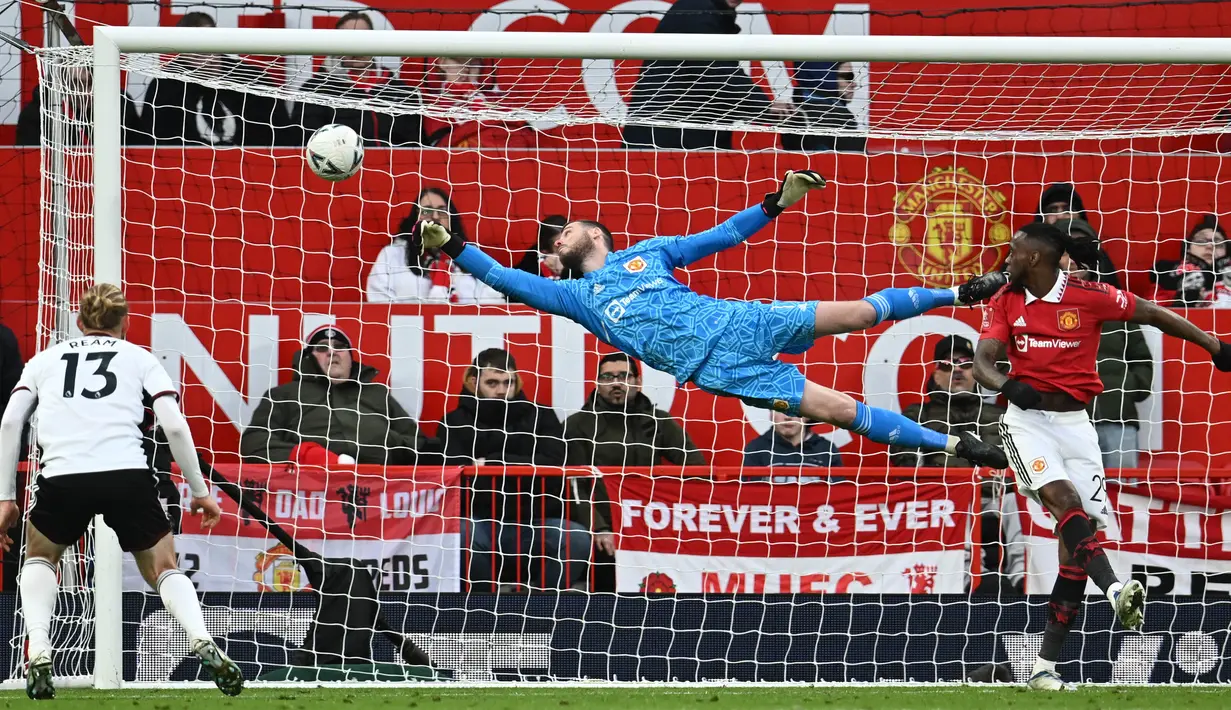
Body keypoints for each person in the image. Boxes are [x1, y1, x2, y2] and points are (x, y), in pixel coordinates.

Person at [419, 169, 1010, 468]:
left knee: (857, 313)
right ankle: (960, 444)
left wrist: (777, 203)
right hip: (720, 370)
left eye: (566, 230)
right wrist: (451, 246)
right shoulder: (575, 296)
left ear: (595, 234)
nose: (556, 240)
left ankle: (960, 291)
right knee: (836, 411)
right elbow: (502, 278)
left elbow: (722, 236)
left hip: (741, 321)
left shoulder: (651, 251)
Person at [972, 221, 1231, 690]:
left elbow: (1152, 312)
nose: (1005, 258)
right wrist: (1012, 388)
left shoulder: (1091, 295)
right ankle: (1115, 590)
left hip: (1076, 426)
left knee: (1079, 538)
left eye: (1013, 251)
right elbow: (983, 362)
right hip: (1025, 424)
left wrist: (1216, 346)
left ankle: (1043, 667)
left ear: (1035, 258)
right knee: (1063, 500)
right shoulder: (1005, 300)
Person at [0, 284, 242, 699]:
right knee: (164, 567)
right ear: (126, 323)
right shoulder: (141, 358)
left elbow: (9, 423)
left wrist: (5, 497)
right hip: (126, 475)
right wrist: (201, 491)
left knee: (41, 556)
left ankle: (38, 650)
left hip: (63, 475)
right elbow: (176, 426)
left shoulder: (43, 360)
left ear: (79, 322)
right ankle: (201, 638)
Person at [437, 349, 588, 591]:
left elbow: (554, 462)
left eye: (508, 382)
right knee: (461, 532)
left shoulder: (542, 415)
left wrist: (494, 463)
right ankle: (485, 609)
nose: (501, 390)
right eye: (492, 382)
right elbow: (454, 470)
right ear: (474, 382)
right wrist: (524, 464)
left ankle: (543, 607)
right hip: (479, 520)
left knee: (577, 538)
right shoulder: (453, 422)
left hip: (533, 520)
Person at [240, 325, 440, 466]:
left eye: (339, 346)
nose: (332, 352)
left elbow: (417, 442)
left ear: (351, 358)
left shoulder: (377, 393)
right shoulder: (283, 395)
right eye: (322, 348)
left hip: (378, 487)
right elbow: (254, 443)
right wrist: (307, 456)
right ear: (309, 359)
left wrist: (385, 442)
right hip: (307, 489)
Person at [1052, 219, 1154, 470]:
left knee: (1126, 497)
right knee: (1068, 495)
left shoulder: (1118, 303)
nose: (1074, 259)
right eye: (1067, 251)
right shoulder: (1036, 305)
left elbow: (1141, 359)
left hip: (1117, 417)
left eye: (1082, 249)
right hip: (1059, 422)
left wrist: (1127, 388)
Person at [622, 0, 788, 150]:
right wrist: (763, 106)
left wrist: (762, 107)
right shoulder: (696, 9)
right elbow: (715, 71)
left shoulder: (714, 14)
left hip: (683, 140)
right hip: (666, 140)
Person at [137, 13, 298, 147]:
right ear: (180, 50)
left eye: (205, 40)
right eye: (191, 44)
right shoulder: (166, 86)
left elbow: (283, 140)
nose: (200, 49)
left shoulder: (254, 80)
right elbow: (150, 144)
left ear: (218, 38)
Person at [295, 12, 426, 147]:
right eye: (349, 40)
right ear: (336, 45)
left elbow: (416, 145)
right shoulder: (313, 91)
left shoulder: (401, 92)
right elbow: (309, 144)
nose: (357, 48)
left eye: (363, 39)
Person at [366, 187, 504, 304]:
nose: (436, 217)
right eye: (427, 211)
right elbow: (378, 301)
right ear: (416, 218)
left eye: (442, 211)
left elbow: (494, 300)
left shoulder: (471, 255)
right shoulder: (392, 255)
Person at [565, 353, 704, 468]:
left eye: (624, 376)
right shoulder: (577, 424)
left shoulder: (658, 421)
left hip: (649, 500)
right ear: (598, 383)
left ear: (638, 381)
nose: (616, 383)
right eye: (607, 377)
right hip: (599, 501)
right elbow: (574, 482)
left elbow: (696, 466)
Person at [890, 335, 1005, 468]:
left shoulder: (1002, 416)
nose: (957, 369)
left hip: (994, 488)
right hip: (941, 488)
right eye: (947, 364)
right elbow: (906, 463)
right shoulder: (918, 415)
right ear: (936, 377)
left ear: (976, 374)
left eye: (966, 363)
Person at [780, 61, 865, 153]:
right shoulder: (834, 115)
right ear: (825, 76)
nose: (854, 84)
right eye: (847, 77)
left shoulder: (796, 112)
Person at [1151, 214, 1231, 308]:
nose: (1210, 246)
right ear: (1188, 248)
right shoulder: (1166, 270)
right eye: (1201, 241)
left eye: (1217, 243)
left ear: (1227, 251)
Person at [742, 411, 842, 483]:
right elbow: (749, 496)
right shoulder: (756, 448)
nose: (788, 417)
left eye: (795, 410)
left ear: (807, 416)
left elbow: (839, 495)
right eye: (780, 410)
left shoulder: (826, 449)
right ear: (771, 413)